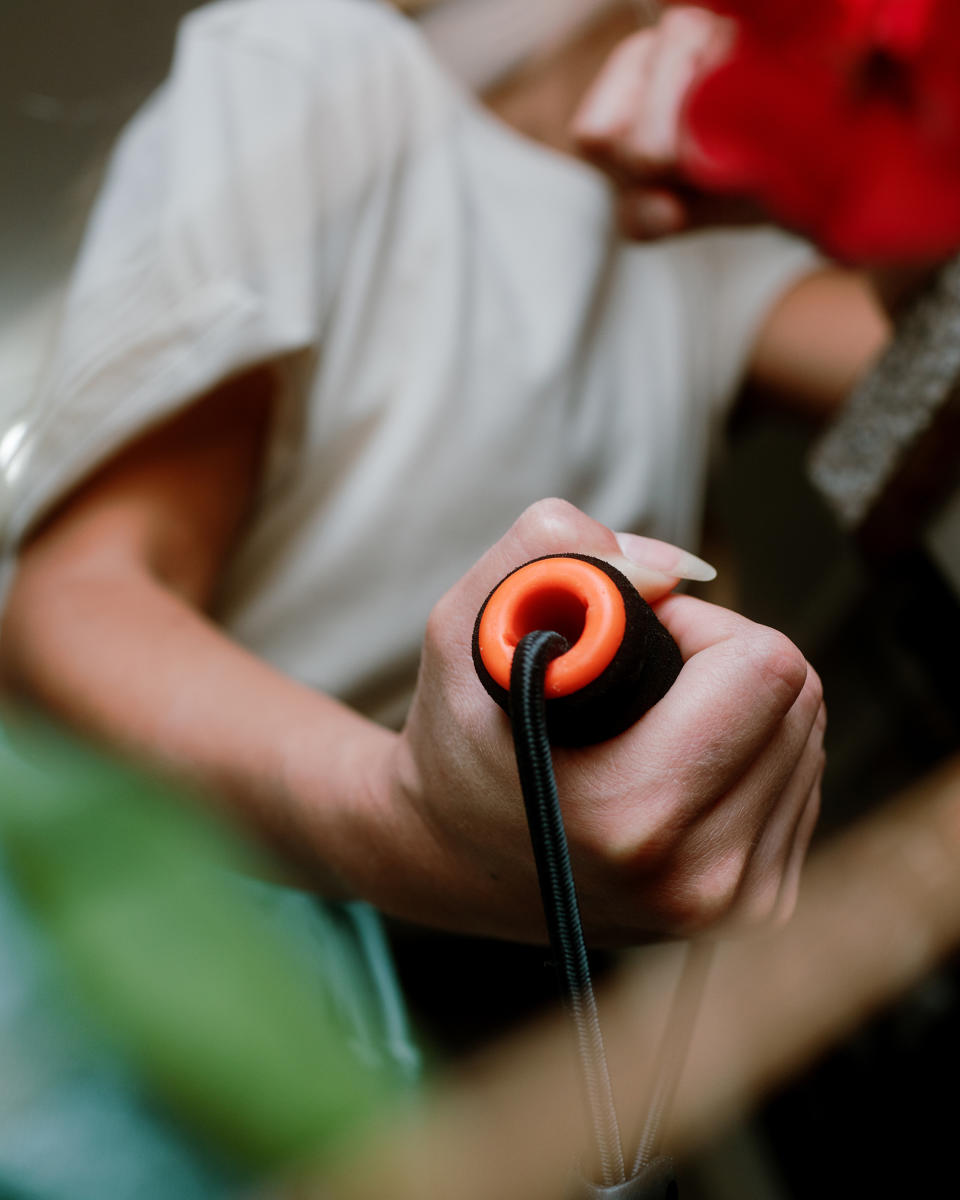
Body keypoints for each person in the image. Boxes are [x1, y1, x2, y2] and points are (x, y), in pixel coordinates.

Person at [0, 0, 885, 1071]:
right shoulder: (316, 67)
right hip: (126, 959)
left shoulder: (704, 261)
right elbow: (75, 604)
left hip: (409, 1014)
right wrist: (403, 818)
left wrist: (857, 164)